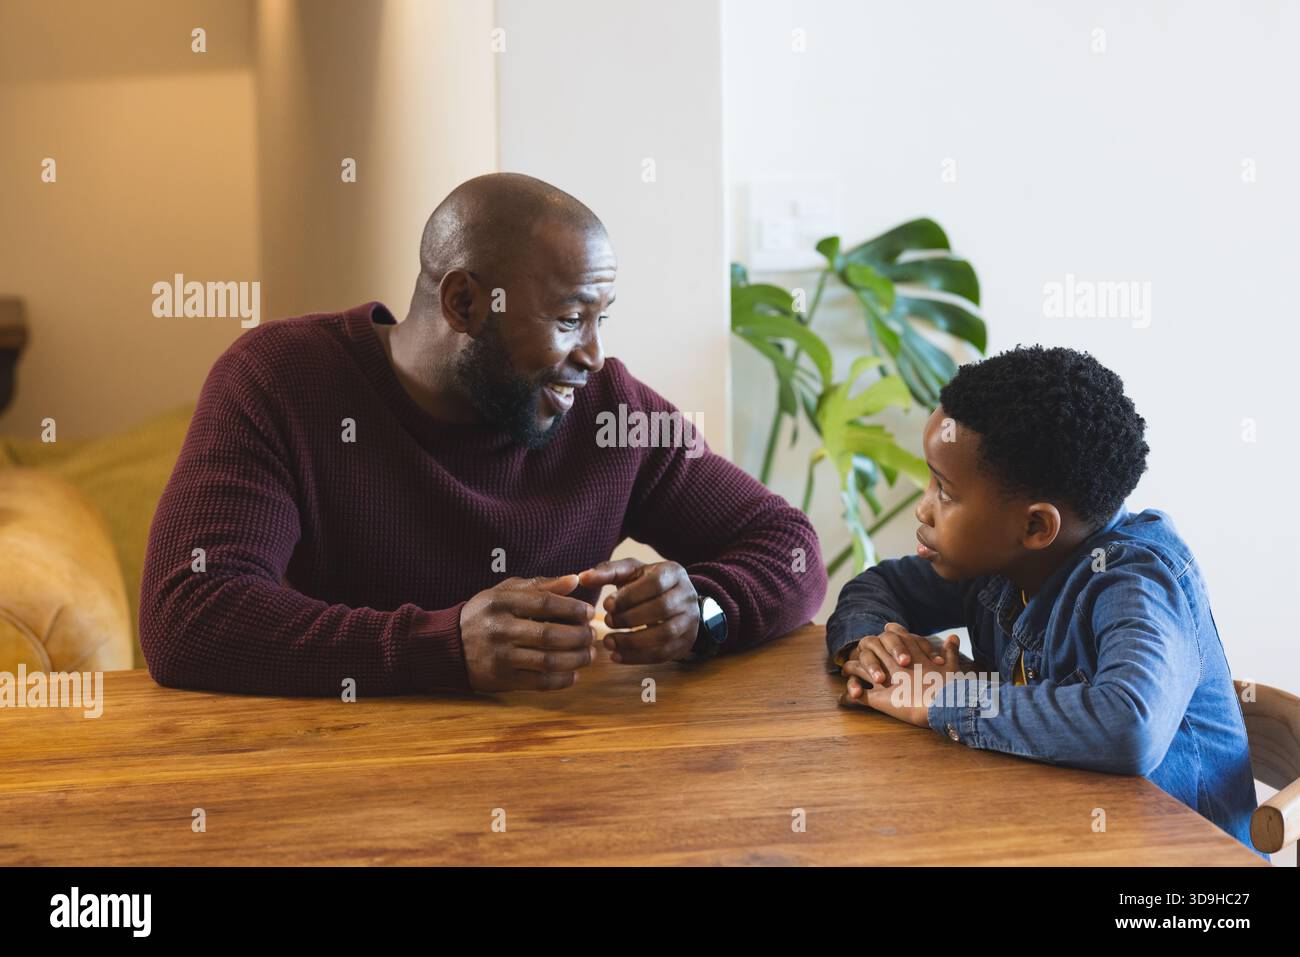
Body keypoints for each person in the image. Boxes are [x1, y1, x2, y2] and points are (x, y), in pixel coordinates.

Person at [140, 173, 826, 696]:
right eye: (568, 318)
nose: (592, 354)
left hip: (552, 781)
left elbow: (789, 547)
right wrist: (447, 646)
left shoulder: (607, 410)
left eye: (600, 319)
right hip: (328, 784)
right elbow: (190, 613)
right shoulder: (279, 381)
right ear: (464, 302)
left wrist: (705, 609)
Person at [827, 345, 1262, 856]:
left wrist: (946, 699)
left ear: (1035, 525)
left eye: (945, 491)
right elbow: (880, 587)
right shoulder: (996, 564)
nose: (923, 508)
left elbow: (1128, 726)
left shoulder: (1133, 582)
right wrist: (876, 648)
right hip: (1062, 839)